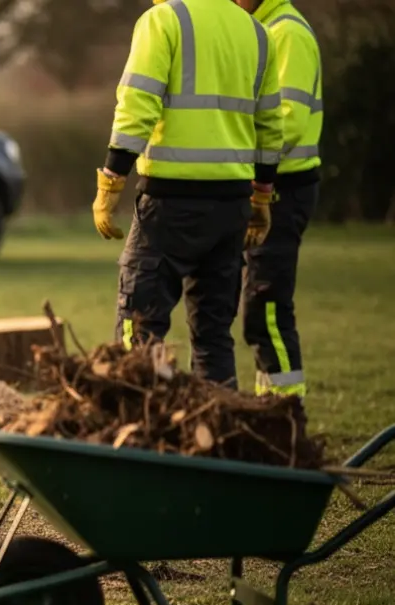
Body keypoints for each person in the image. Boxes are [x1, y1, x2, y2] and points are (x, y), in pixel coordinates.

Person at [93, 0, 284, 386]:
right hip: (231, 207)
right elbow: (269, 125)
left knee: (139, 330)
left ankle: (137, 431)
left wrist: (112, 178)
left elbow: (137, 105)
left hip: (169, 204)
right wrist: (262, 196)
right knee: (214, 338)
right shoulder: (257, 33)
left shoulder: (163, 21)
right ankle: (220, 434)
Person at [233, 0, 323, 400]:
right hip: (266, 184)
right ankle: (270, 409)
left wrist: (234, 150)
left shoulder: (286, 32)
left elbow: (287, 122)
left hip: (283, 188)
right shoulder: (258, 28)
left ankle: (287, 414)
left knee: (266, 307)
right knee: (257, 306)